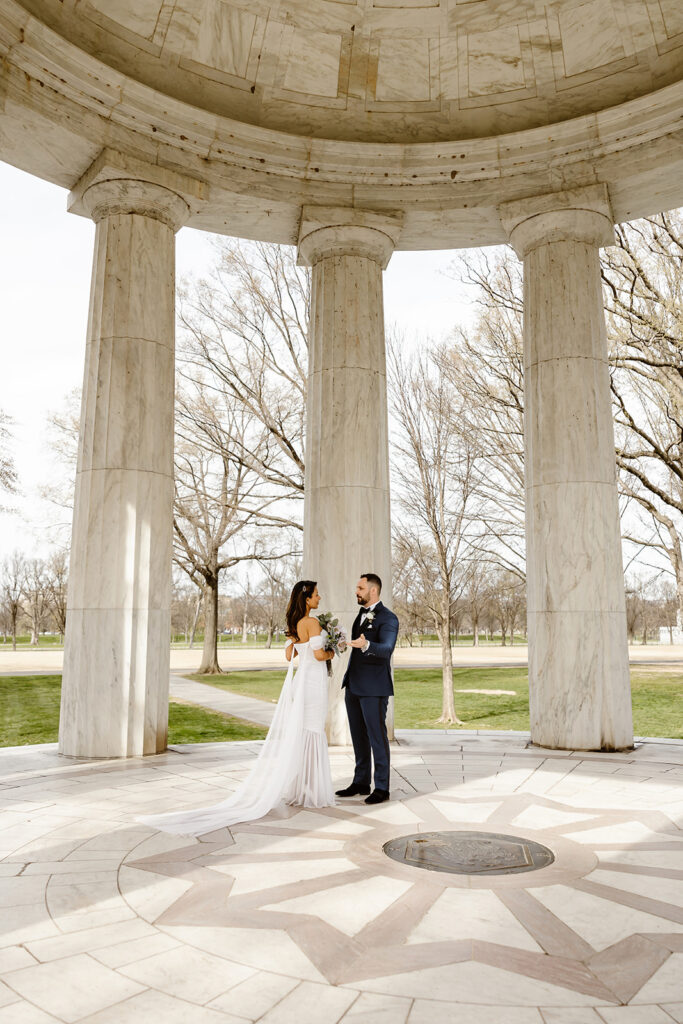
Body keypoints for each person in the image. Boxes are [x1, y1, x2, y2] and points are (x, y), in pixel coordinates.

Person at [136, 580, 336, 836]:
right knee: (314, 730)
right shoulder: (313, 622)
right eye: (317, 594)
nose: (320, 597)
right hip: (314, 683)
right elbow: (319, 656)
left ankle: (302, 788)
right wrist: (335, 649)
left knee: (304, 732)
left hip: (302, 682)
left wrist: (307, 646)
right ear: (307, 599)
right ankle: (313, 790)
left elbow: (289, 656)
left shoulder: (297, 623)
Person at [336, 572, 399, 805]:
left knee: (377, 738)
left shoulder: (388, 618)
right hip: (353, 685)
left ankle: (382, 787)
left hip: (374, 688)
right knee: (358, 737)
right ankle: (361, 782)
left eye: (360, 588)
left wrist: (367, 645)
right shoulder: (359, 616)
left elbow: (386, 649)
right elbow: (357, 645)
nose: (356, 591)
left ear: (373, 590)